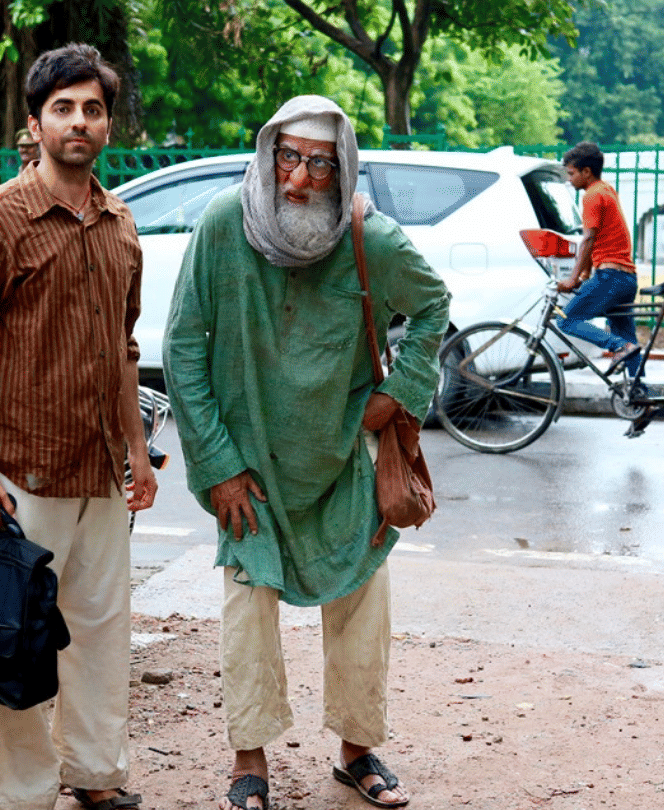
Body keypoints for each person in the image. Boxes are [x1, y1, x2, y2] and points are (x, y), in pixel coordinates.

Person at [162, 95, 450, 810]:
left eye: (319, 164)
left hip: (342, 464)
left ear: (342, 168)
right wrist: (219, 465)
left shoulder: (369, 239)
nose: (297, 179)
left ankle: (357, 751)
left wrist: (399, 393)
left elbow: (434, 304)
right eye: (287, 157)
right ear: (267, 155)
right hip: (248, 464)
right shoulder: (225, 223)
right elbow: (182, 348)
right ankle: (249, 760)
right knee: (247, 609)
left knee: (360, 603)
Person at [0, 43, 156, 810]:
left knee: (100, 636)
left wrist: (138, 452)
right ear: (36, 123)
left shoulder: (121, 224)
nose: (79, 121)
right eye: (63, 108)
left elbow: (123, 351)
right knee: (16, 639)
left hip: (100, 472)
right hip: (24, 472)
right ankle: (23, 793)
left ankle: (95, 775)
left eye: (92, 108)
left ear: (107, 124)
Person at [558, 141, 641, 378]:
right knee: (628, 336)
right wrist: (584, 275)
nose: (569, 179)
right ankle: (639, 394)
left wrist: (573, 278)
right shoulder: (606, 189)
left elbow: (588, 240)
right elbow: (600, 240)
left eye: (572, 173)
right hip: (626, 278)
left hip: (611, 277)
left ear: (587, 172)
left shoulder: (592, 195)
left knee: (567, 319)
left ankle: (618, 347)